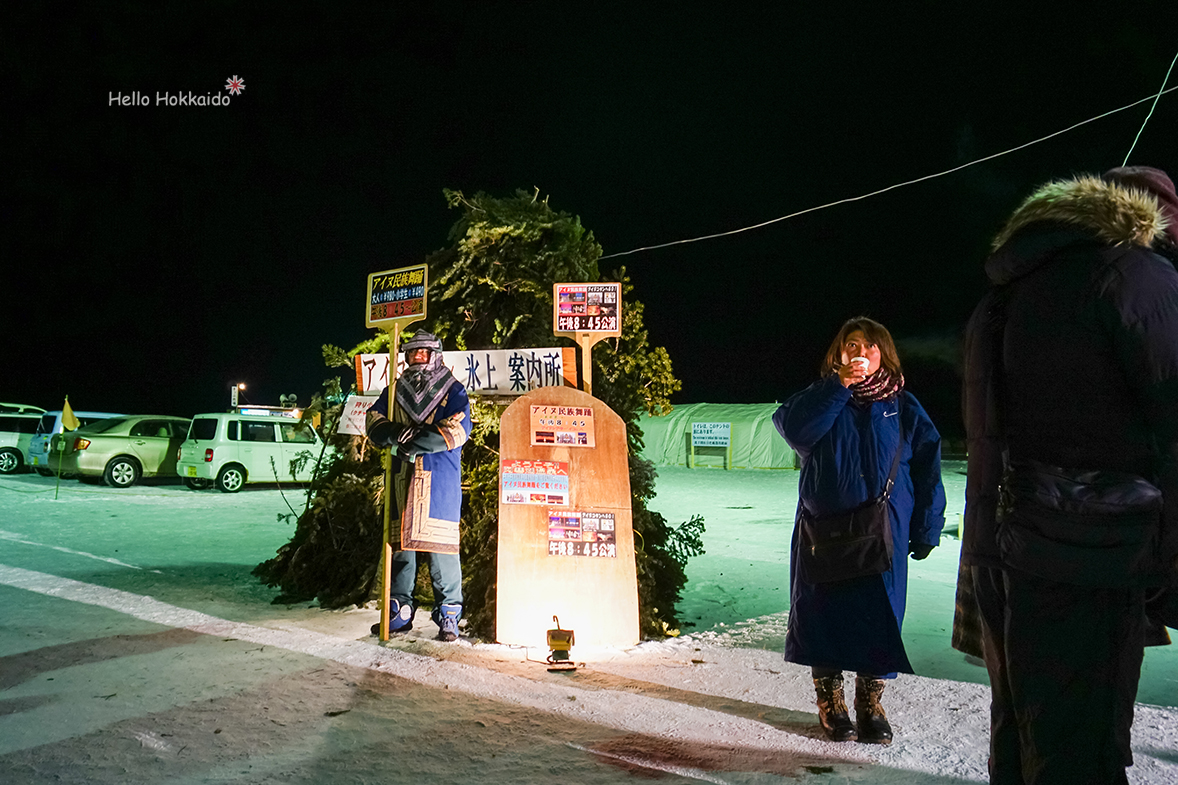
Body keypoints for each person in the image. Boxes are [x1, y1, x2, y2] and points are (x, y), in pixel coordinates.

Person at [961, 166, 1178, 784]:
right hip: (1090, 552)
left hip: (1003, 552)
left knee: (1024, 735)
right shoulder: (1131, 276)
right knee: (1082, 749)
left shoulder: (1008, 290)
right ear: (1147, 215)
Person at [774, 317, 946, 744]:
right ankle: (830, 703)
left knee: (879, 615)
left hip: (884, 534)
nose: (861, 353)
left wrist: (927, 525)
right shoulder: (823, 398)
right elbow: (794, 430)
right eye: (852, 345)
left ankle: (871, 704)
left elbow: (928, 467)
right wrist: (838, 387)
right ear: (838, 354)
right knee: (824, 616)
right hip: (824, 534)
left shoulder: (904, 407)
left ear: (884, 356)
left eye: (870, 346)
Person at [366, 331, 471, 642]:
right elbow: (374, 421)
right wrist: (397, 433)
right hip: (401, 476)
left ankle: (449, 613)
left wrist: (412, 444)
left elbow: (458, 427)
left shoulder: (452, 389)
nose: (418, 358)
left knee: (443, 548)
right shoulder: (394, 390)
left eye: (424, 353)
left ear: (435, 354)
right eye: (412, 353)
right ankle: (399, 609)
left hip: (439, 476)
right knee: (400, 546)